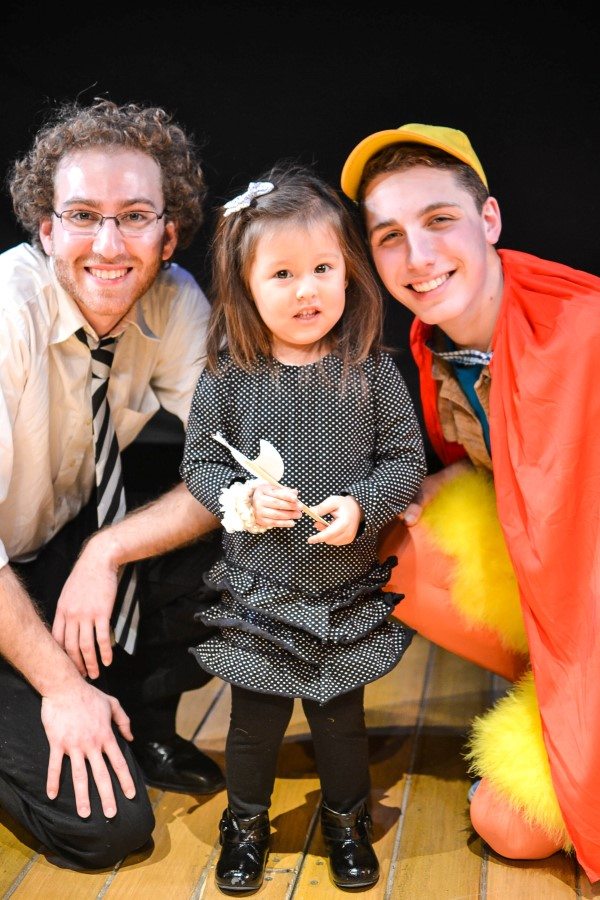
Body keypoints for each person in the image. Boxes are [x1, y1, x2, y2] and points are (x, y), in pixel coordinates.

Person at [339, 123, 600, 882]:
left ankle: (566, 701)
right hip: (565, 597)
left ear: (488, 221)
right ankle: (546, 686)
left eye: (439, 221)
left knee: (511, 825)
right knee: (387, 542)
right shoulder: (434, 342)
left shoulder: (579, 329)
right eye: (390, 236)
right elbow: (498, 475)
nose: (417, 258)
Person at [179, 164, 426, 892]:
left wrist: (363, 505)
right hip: (261, 594)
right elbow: (198, 462)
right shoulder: (228, 375)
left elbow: (405, 460)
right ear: (245, 287)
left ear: (349, 274)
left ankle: (347, 820)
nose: (307, 289)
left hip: (340, 593)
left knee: (339, 724)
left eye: (322, 268)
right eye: (282, 273)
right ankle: (245, 823)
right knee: (253, 726)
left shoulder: (371, 373)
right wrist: (236, 500)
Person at [0, 98, 226, 870]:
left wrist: (105, 555)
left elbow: (227, 467)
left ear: (169, 234)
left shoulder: (174, 302)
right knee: (106, 832)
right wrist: (59, 689)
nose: (108, 243)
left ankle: (144, 721)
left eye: (134, 216)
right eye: (83, 215)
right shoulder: (7, 315)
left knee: (247, 524)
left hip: (42, 551)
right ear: (46, 228)